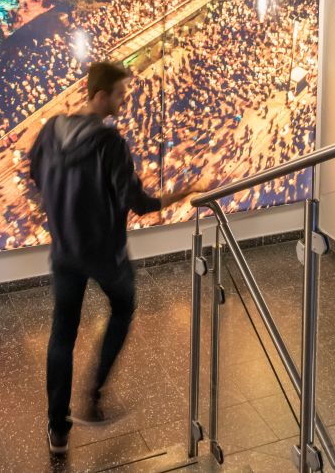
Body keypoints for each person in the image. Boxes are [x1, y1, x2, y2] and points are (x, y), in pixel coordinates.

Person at [29, 61, 207, 455]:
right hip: (104, 253)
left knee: (62, 333)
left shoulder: (49, 131)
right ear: (100, 95)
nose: (125, 100)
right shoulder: (110, 144)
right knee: (124, 306)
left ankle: (58, 429)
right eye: (120, 93)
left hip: (64, 251)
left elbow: (36, 175)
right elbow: (139, 204)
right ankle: (92, 398)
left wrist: (63, 210)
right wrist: (182, 194)